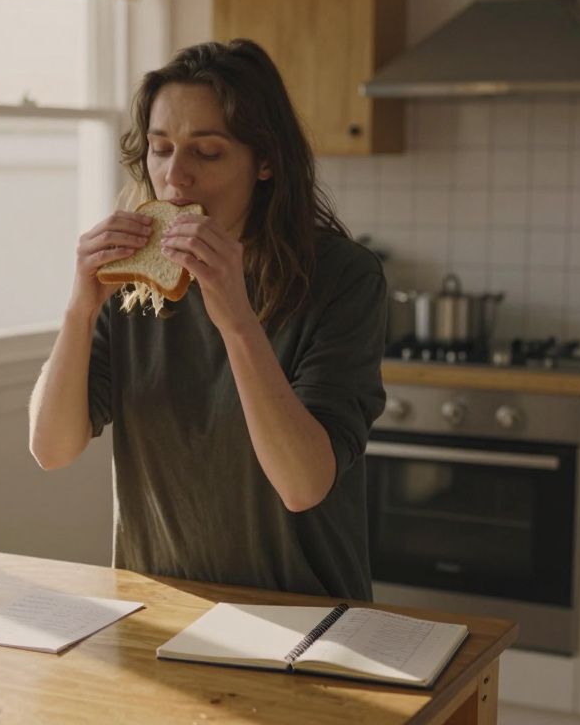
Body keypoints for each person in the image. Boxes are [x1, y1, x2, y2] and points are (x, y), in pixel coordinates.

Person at [27, 39, 386, 601]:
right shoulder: (132, 287)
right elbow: (51, 449)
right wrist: (79, 310)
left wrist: (237, 320)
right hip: (155, 608)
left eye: (207, 152)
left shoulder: (344, 278)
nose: (176, 178)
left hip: (305, 618)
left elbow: (302, 485)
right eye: (160, 148)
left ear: (266, 161)